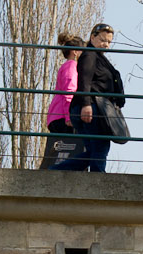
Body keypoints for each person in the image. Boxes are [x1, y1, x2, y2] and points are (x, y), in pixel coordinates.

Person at [54, 22, 124, 172]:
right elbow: (84, 80)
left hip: (93, 106)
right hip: (90, 106)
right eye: (103, 40)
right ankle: (98, 179)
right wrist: (86, 104)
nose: (106, 45)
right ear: (93, 37)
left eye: (109, 42)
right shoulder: (90, 55)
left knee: (93, 151)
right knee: (101, 145)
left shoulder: (97, 57)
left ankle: (57, 171)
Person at [41, 34, 84, 170]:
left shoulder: (67, 66)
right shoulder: (72, 66)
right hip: (62, 116)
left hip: (58, 115)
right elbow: (69, 92)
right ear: (75, 52)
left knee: (61, 149)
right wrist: (69, 115)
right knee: (70, 147)